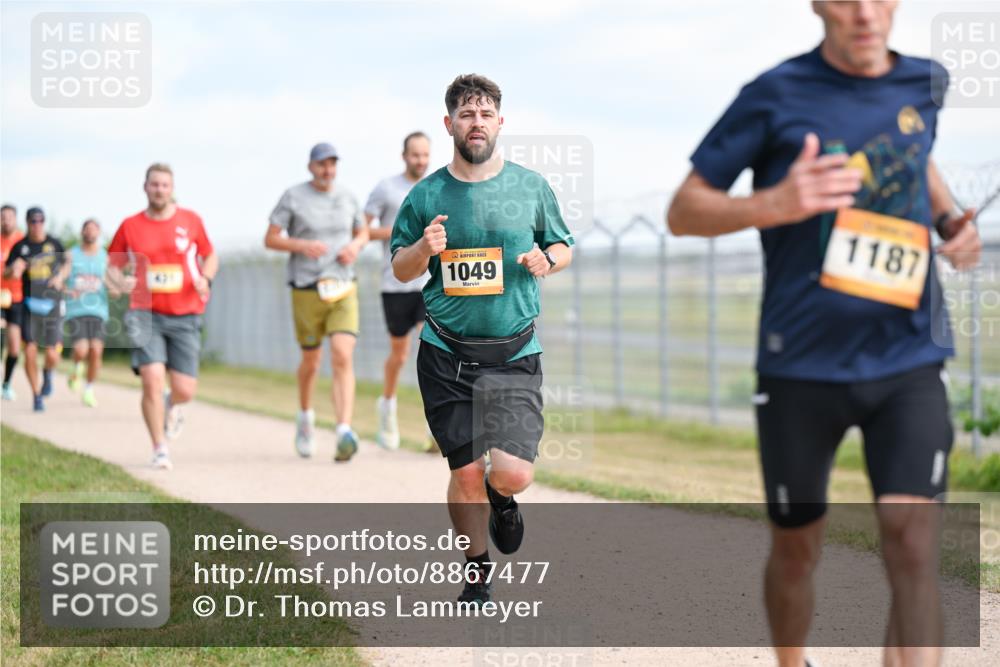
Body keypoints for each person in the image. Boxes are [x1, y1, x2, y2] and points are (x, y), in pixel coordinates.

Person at [666, 2, 982, 665]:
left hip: (907, 354)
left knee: (913, 538)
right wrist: (773, 203)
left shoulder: (926, 82)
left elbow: (913, 158)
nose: (863, 13)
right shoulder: (774, 95)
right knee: (796, 547)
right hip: (800, 366)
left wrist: (950, 218)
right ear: (816, 4)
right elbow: (684, 209)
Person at [391, 74, 574, 605]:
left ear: (500, 122)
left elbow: (562, 246)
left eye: (485, 114)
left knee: (512, 473)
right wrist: (424, 248)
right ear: (448, 124)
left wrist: (548, 259)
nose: (476, 123)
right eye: (466, 115)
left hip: (514, 352)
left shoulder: (529, 186)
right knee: (465, 471)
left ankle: (504, 500)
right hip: (446, 354)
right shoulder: (426, 195)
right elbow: (402, 269)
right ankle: (475, 567)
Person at [107, 163, 218, 470]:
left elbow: (210, 255)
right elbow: (112, 269)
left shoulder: (190, 220)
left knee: (185, 390)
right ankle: (160, 448)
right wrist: (120, 283)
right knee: (152, 379)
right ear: (145, 187)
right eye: (154, 184)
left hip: (186, 313)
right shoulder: (129, 225)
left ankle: (171, 405)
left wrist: (205, 279)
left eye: (164, 185)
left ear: (172, 189)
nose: (159, 190)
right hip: (145, 313)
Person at [265, 142, 369, 462]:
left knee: (341, 354)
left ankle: (343, 430)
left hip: (342, 286)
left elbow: (363, 232)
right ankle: (306, 417)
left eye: (332, 164)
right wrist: (301, 245)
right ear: (311, 166)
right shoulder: (293, 196)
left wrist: (355, 247)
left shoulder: (348, 196)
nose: (328, 170)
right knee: (311, 361)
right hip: (307, 287)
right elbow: (270, 238)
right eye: (322, 164)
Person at [364, 131, 434, 451]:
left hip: (429, 283)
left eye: (425, 155)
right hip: (395, 283)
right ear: (404, 156)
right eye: (415, 155)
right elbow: (363, 229)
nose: (420, 160)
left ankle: (437, 423)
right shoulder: (386, 188)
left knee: (432, 349)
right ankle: (388, 407)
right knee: (400, 354)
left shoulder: (437, 186)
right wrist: (402, 231)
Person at [7, 207, 69, 412]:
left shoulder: (54, 243)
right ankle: (36, 395)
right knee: (31, 351)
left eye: (40, 220)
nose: (37, 225)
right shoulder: (20, 247)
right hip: (29, 306)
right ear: (27, 223)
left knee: (52, 355)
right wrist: (13, 269)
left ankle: (48, 373)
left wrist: (61, 276)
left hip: (53, 304)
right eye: (33, 221)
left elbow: (67, 262)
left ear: (44, 221)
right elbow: (8, 272)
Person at [65, 219, 113, 407]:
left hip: (99, 310)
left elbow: (110, 280)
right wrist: (62, 285)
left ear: (99, 233)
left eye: (94, 229)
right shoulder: (71, 254)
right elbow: (63, 274)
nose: (90, 232)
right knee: (81, 349)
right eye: (87, 228)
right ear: (82, 231)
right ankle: (76, 367)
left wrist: (117, 287)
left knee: (96, 351)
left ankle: (89, 389)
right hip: (77, 309)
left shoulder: (105, 256)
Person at [1, 203, 25, 401]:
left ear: (15, 220)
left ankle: (6, 384)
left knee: (15, 347)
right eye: (3, 217)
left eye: (10, 217)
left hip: (17, 298)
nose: (6, 220)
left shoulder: (22, 241)